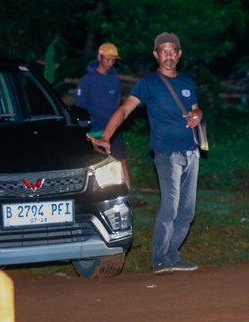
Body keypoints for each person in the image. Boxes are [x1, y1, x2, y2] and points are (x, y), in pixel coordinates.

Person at [87, 32, 203, 274]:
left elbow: (195, 109)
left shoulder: (187, 83)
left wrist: (198, 114)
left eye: (173, 51)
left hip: (191, 152)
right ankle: (159, 259)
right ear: (156, 55)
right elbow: (124, 111)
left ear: (179, 54)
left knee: (187, 211)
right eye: (164, 51)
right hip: (166, 154)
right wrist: (106, 136)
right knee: (170, 207)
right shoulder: (148, 83)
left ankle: (172, 255)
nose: (169, 55)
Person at [75, 43, 145, 207]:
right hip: (93, 130)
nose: (110, 62)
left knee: (121, 161)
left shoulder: (114, 80)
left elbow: (118, 106)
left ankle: (128, 195)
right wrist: (86, 128)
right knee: (93, 165)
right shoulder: (87, 81)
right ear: (99, 58)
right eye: (108, 59)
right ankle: (92, 198)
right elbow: (80, 106)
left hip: (112, 128)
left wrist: (114, 125)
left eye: (113, 59)